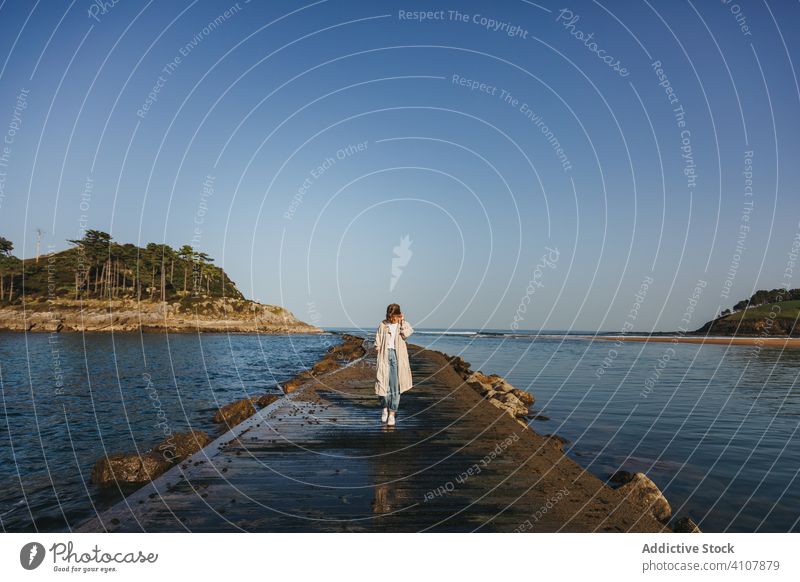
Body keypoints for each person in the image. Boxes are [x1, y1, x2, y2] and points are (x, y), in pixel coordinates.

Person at [374, 303, 414, 426]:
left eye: (394, 316)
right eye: (390, 316)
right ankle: (384, 408)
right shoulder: (383, 324)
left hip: (398, 358)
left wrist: (402, 322)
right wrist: (378, 346)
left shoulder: (403, 324)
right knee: (382, 384)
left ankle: (392, 413)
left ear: (398, 315)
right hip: (384, 356)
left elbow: (406, 334)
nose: (392, 319)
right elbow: (377, 341)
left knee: (395, 387)